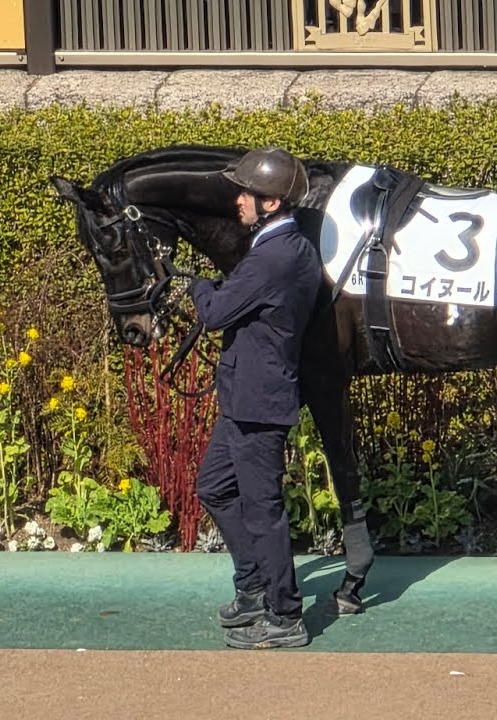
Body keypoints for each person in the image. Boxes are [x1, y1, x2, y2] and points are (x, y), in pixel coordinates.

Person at [190, 147, 321, 650]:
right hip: (247, 399)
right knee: (215, 487)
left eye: (248, 194)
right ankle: (253, 585)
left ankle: (285, 615)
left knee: (263, 509)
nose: (239, 201)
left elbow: (215, 312)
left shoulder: (273, 257)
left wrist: (198, 284)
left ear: (272, 203)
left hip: (259, 403)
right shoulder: (285, 247)